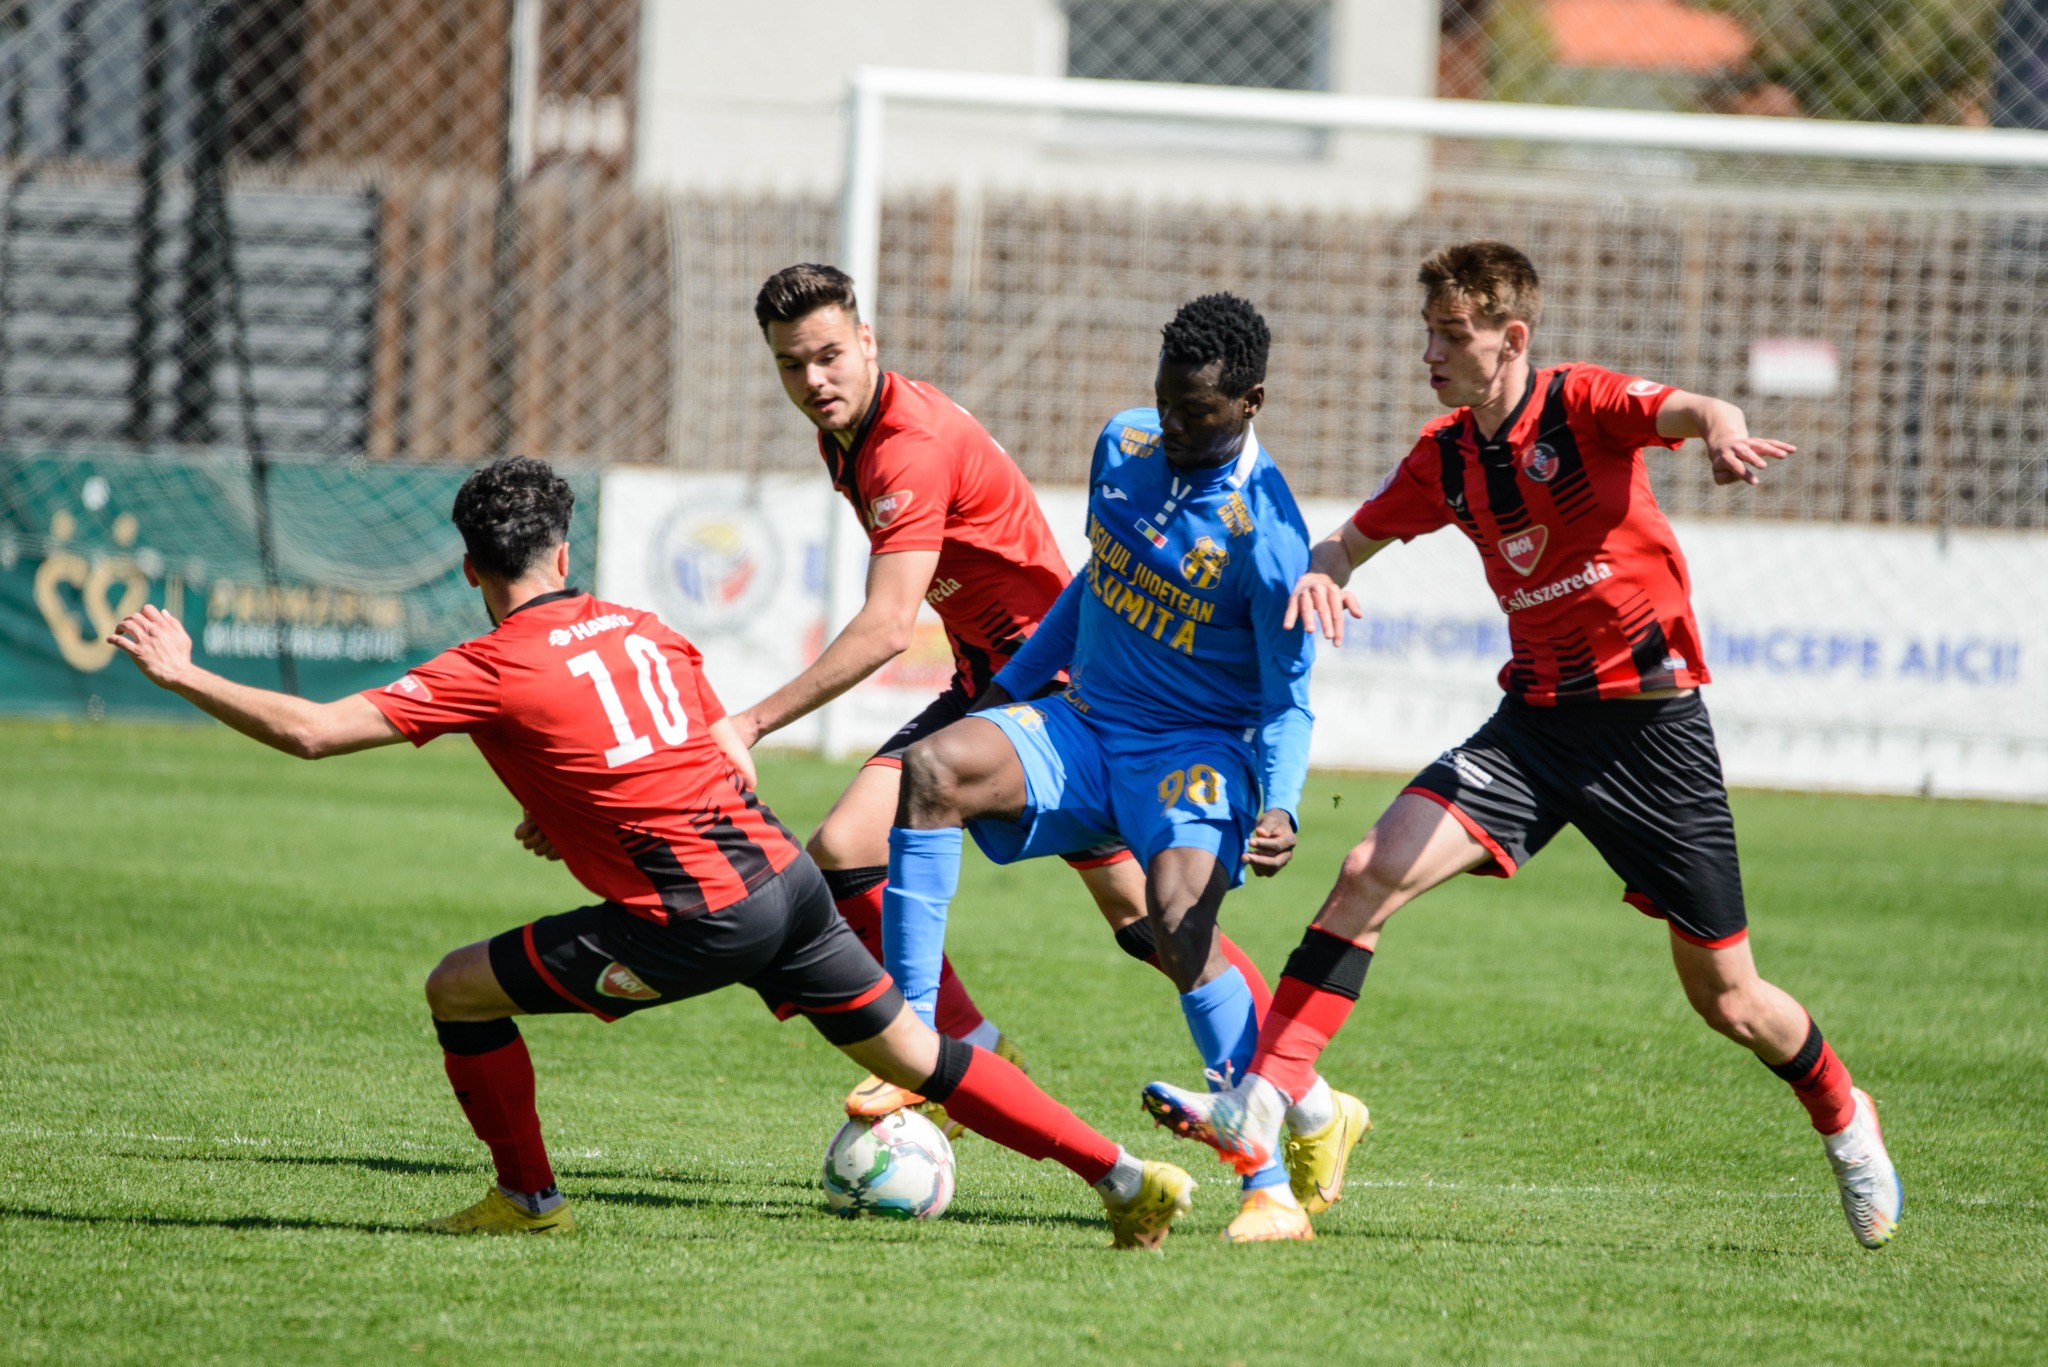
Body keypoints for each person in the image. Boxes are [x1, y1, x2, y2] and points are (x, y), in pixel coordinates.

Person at [108, 456, 1194, 1248]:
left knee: (458, 990)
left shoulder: (487, 663)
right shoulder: (643, 627)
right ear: (564, 553)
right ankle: (1122, 1174)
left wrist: (184, 671)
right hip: (788, 884)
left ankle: (527, 1199)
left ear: (471, 567)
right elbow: (696, 755)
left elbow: (311, 730)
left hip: (689, 921)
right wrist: (573, 814)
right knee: (924, 1062)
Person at [1141, 240, 1902, 1251]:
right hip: (1534, 726)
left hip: (1649, 730)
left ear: (1511, 339)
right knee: (1366, 868)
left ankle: (1846, 1118)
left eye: (1450, 336)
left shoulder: (1581, 404)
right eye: (1426, 334)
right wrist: (1322, 568)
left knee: (1729, 997)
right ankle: (1265, 1101)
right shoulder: (1444, 455)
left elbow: (1687, 408)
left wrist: (1723, 425)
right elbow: (1350, 537)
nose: (1431, 352)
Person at [876, 294, 1371, 1243]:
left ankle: (1266, 1187)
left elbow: (1287, 699)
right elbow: (1094, 580)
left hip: (1195, 755)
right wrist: (1010, 690)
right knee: (933, 768)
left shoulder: (1269, 540)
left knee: (1176, 927)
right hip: (1086, 726)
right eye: (1166, 403)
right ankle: (911, 1038)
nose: (1175, 427)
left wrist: (1284, 805)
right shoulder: (1125, 443)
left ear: (1253, 402)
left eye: (1200, 413)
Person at [731, 264, 1275, 1119]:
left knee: (1151, 917)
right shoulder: (850, 429)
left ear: (867, 341)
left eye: (830, 355)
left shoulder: (906, 445)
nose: (813, 380)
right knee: (853, 849)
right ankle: (966, 1051)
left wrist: (750, 723)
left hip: (1047, 683)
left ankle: (1283, 1082)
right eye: (792, 365)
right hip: (994, 675)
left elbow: (884, 626)